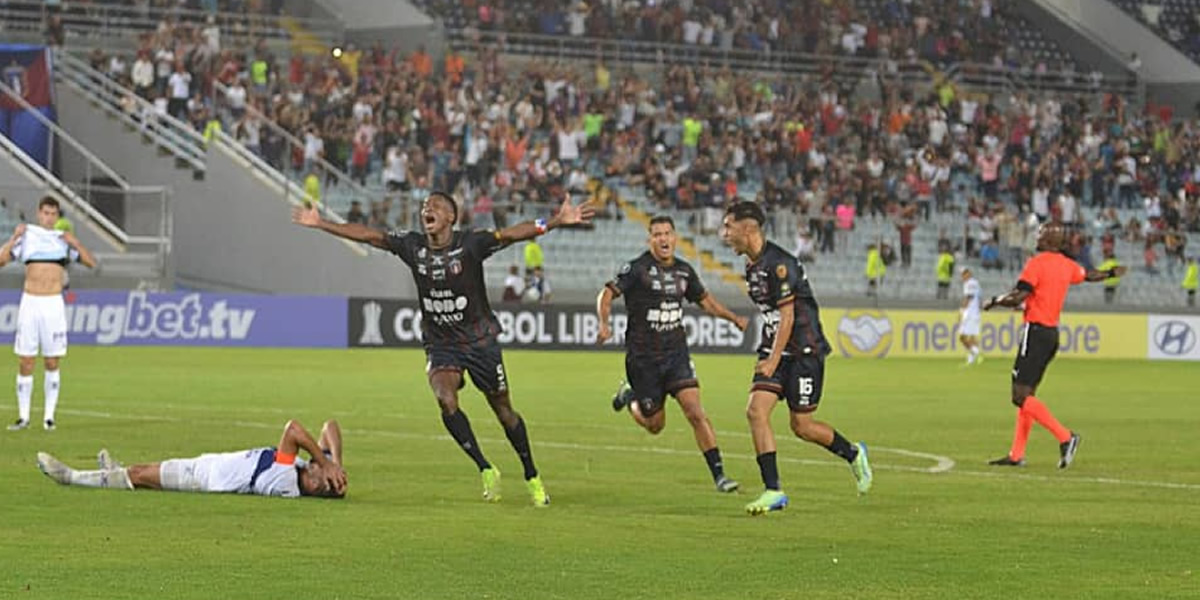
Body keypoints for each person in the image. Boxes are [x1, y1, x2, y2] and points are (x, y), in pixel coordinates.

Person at [293, 191, 593, 506]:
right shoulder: (413, 246)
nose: (428, 209)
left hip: (480, 341)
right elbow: (369, 235)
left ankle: (531, 474)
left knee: (504, 412)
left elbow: (512, 234)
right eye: (425, 206)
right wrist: (322, 223)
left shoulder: (471, 244)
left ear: (451, 216)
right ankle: (485, 468)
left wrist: (556, 220)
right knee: (445, 399)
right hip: (441, 344)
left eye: (436, 206)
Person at [720, 201, 873, 515]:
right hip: (776, 348)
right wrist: (771, 355)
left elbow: (788, 317)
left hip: (804, 351)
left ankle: (854, 453)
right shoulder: (751, 265)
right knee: (755, 411)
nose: (724, 234)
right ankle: (773, 490)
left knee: (802, 426)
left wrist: (772, 360)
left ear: (747, 229)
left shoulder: (780, 264)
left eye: (728, 227)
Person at [596, 215, 749, 493]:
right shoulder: (637, 269)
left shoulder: (684, 271)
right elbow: (606, 294)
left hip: (676, 354)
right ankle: (630, 397)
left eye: (667, 233)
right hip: (644, 361)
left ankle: (720, 476)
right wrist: (604, 324)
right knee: (655, 425)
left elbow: (707, 303)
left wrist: (733, 318)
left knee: (695, 411)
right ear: (650, 240)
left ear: (675, 237)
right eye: (657, 234)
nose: (663, 239)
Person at [983, 223, 1126, 468]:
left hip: (1035, 331)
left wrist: (995, 301)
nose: (1037, 237)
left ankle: (1065, 437)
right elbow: (1089, 275)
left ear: (1049, 240)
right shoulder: (1066, 264)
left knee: (1019, 396)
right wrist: (1111, 273)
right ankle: (1016, 454)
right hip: (1051, 335)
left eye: (1040, 234)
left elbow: (1018, 296)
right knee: (1028, 396)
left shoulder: (1036, 264)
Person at [37, 419, 346, 499]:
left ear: (314, 485)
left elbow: (293, 429)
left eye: (320, 472)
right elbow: (329, 426)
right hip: (211, 464)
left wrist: (326, 462)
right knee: (144, 473)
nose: (318, 465)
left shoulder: (286, 478)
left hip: (205, 478)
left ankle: (71, 476)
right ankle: (114, 472)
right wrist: (336, 463)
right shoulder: (306, 469)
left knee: (140, 474)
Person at [0, 197, 98, 431]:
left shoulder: (62, 241)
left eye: (53, 214)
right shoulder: (27, 238)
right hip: (30, 302)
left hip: (53, 304)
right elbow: (1, 260)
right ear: (38, 213)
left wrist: (76, 243)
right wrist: (13, 237)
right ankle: (23, 417)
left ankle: (49, 418)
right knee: (26, 360)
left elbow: (90, 263)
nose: (49, 218)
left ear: (57, 216)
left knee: (52, 360)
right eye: (45, 213)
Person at [958, 267, 983, 366]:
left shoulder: (969, 284)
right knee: (972, 337)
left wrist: (962, 310)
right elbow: (979, 298)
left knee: (962, 336)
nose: (962, 277)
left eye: (964, 274)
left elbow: (968, 297)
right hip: (975, 313)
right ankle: (972, 357)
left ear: (968, 274)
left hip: (970, 313)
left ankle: (976, 353)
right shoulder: (976, 283)